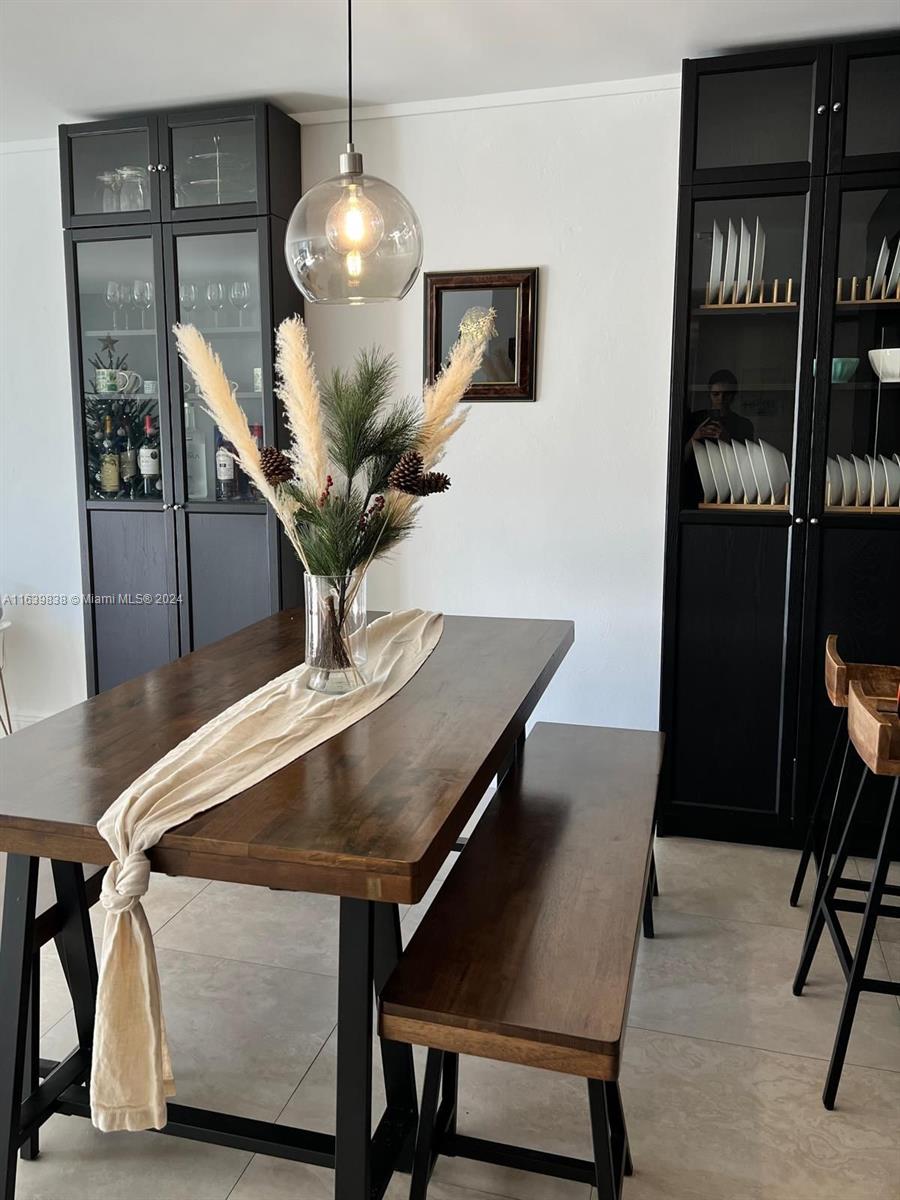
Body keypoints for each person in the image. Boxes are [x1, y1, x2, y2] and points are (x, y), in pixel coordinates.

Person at [684, 369, 754, 461]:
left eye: (726, 394)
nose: (721, 399)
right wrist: (694, 438)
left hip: (729, 474)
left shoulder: (744, 424)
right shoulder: (694, 419)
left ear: (733, 395)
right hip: (695, 474)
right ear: (709, 394)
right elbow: (679, 459)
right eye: (716, 394)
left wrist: (727, 441)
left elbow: (748, 462)